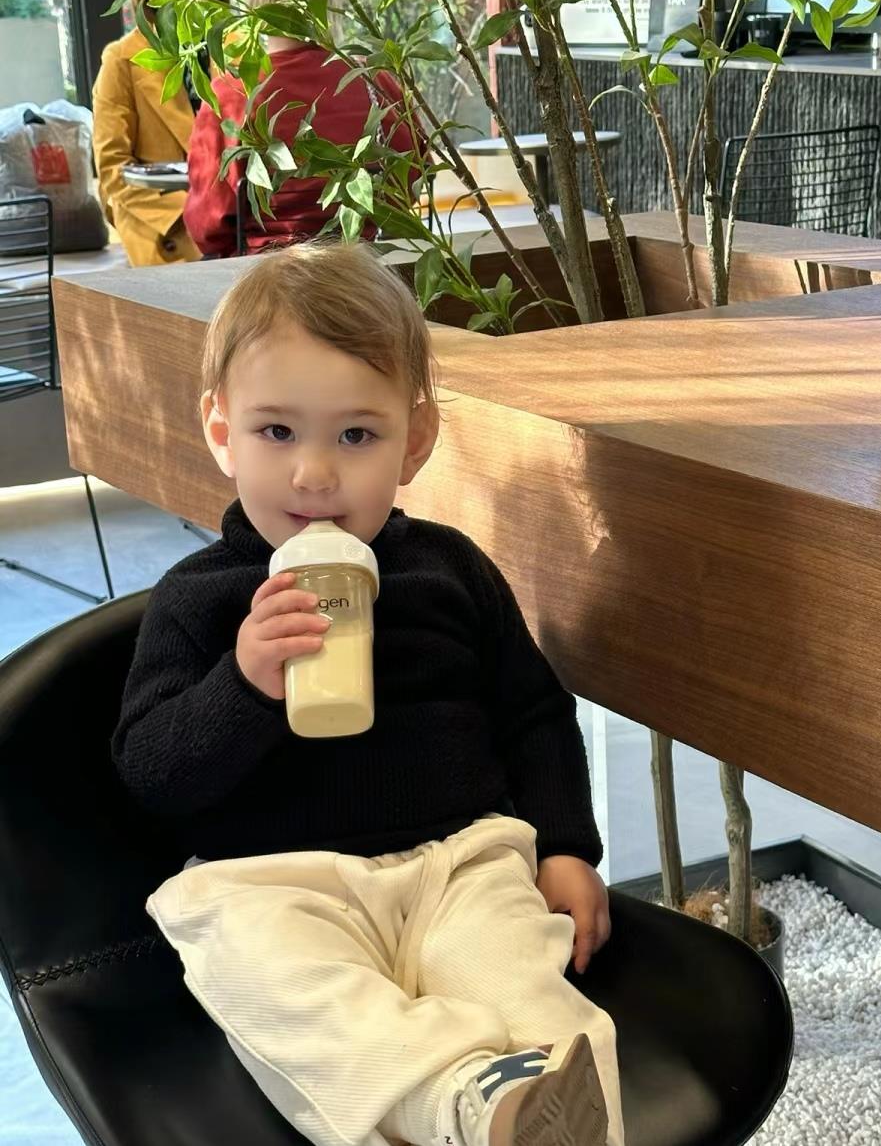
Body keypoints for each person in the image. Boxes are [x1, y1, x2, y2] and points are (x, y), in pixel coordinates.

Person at [111, 240, 623, 1146]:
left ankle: (542, 1109)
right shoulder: (200, 600)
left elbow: (535, 714)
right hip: (277, 881)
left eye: (356, 435)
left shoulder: (448, 572)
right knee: (277, 980)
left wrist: (567, 847)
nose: (314, 474)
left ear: (414, 441)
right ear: (222, 432)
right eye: (277, 432)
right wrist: (243, 683)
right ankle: (469, 1105)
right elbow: (153, 772)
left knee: (534, 997)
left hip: (458, 863)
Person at [184, 0, 421, 257]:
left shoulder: (232, 94)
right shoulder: (374, 81)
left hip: (264, 278)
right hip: (362, 270)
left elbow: (207, 226)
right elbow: (412, 181)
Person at [92, 0, 223, 266]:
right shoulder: (122, 59)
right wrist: (194, 217)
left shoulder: (238, 52)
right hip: (167, 230)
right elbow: (113, 171)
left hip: (236, 227)